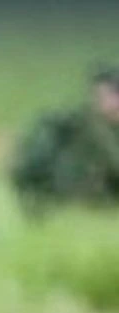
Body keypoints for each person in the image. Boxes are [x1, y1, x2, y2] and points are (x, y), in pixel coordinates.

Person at [10, 63, 119, 215]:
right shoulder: (86, 124)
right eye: (103, 97)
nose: (109, 103)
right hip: (79, 191)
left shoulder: (106, 126)